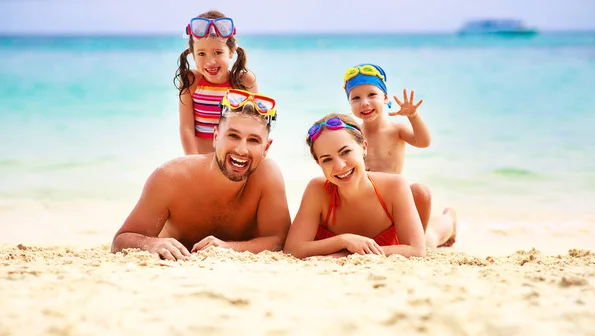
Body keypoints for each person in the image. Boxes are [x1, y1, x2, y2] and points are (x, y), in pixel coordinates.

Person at [112, 89, 290, 261]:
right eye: (233, 136)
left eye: (253, 140)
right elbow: (121, 240)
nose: (241, 150)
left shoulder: (267, 176)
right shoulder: (171, 178)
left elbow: (278, 239)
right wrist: (151, 244)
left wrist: (229, 248)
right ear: (215, 136)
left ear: (266, 148)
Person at [283, 113, 435, 259]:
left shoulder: (395, 185)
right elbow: (293, 248)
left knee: (433, 237)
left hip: (414, 234)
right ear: (319, 164)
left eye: (346, 152)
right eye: (327, 160)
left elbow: (416, 250)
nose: (340, 166)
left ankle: (449, 221)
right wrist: (344, 240)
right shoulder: (318, 190)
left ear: (364, 147)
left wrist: (347, 253)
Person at [343, 63, 457, 247]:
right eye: (356, 98)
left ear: (385, 97)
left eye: (372, 95)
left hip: (396, 201)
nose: (364, 102)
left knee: (428, 236)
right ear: (350, 104)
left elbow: (423, 142)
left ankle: (448, 220)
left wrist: (413, 116)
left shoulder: (396, 129)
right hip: (370, 206)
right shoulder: (353, 135)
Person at [174, 10, 258, 155]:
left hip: (235, 160)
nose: (210, 61)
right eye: (201, 54)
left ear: (231, 51)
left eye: (218, 52)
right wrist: (193, 162)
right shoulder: (191, 81)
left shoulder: (243, 81)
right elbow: (186, 127)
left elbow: (256, 125)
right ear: (192, 55)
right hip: (201, 161)